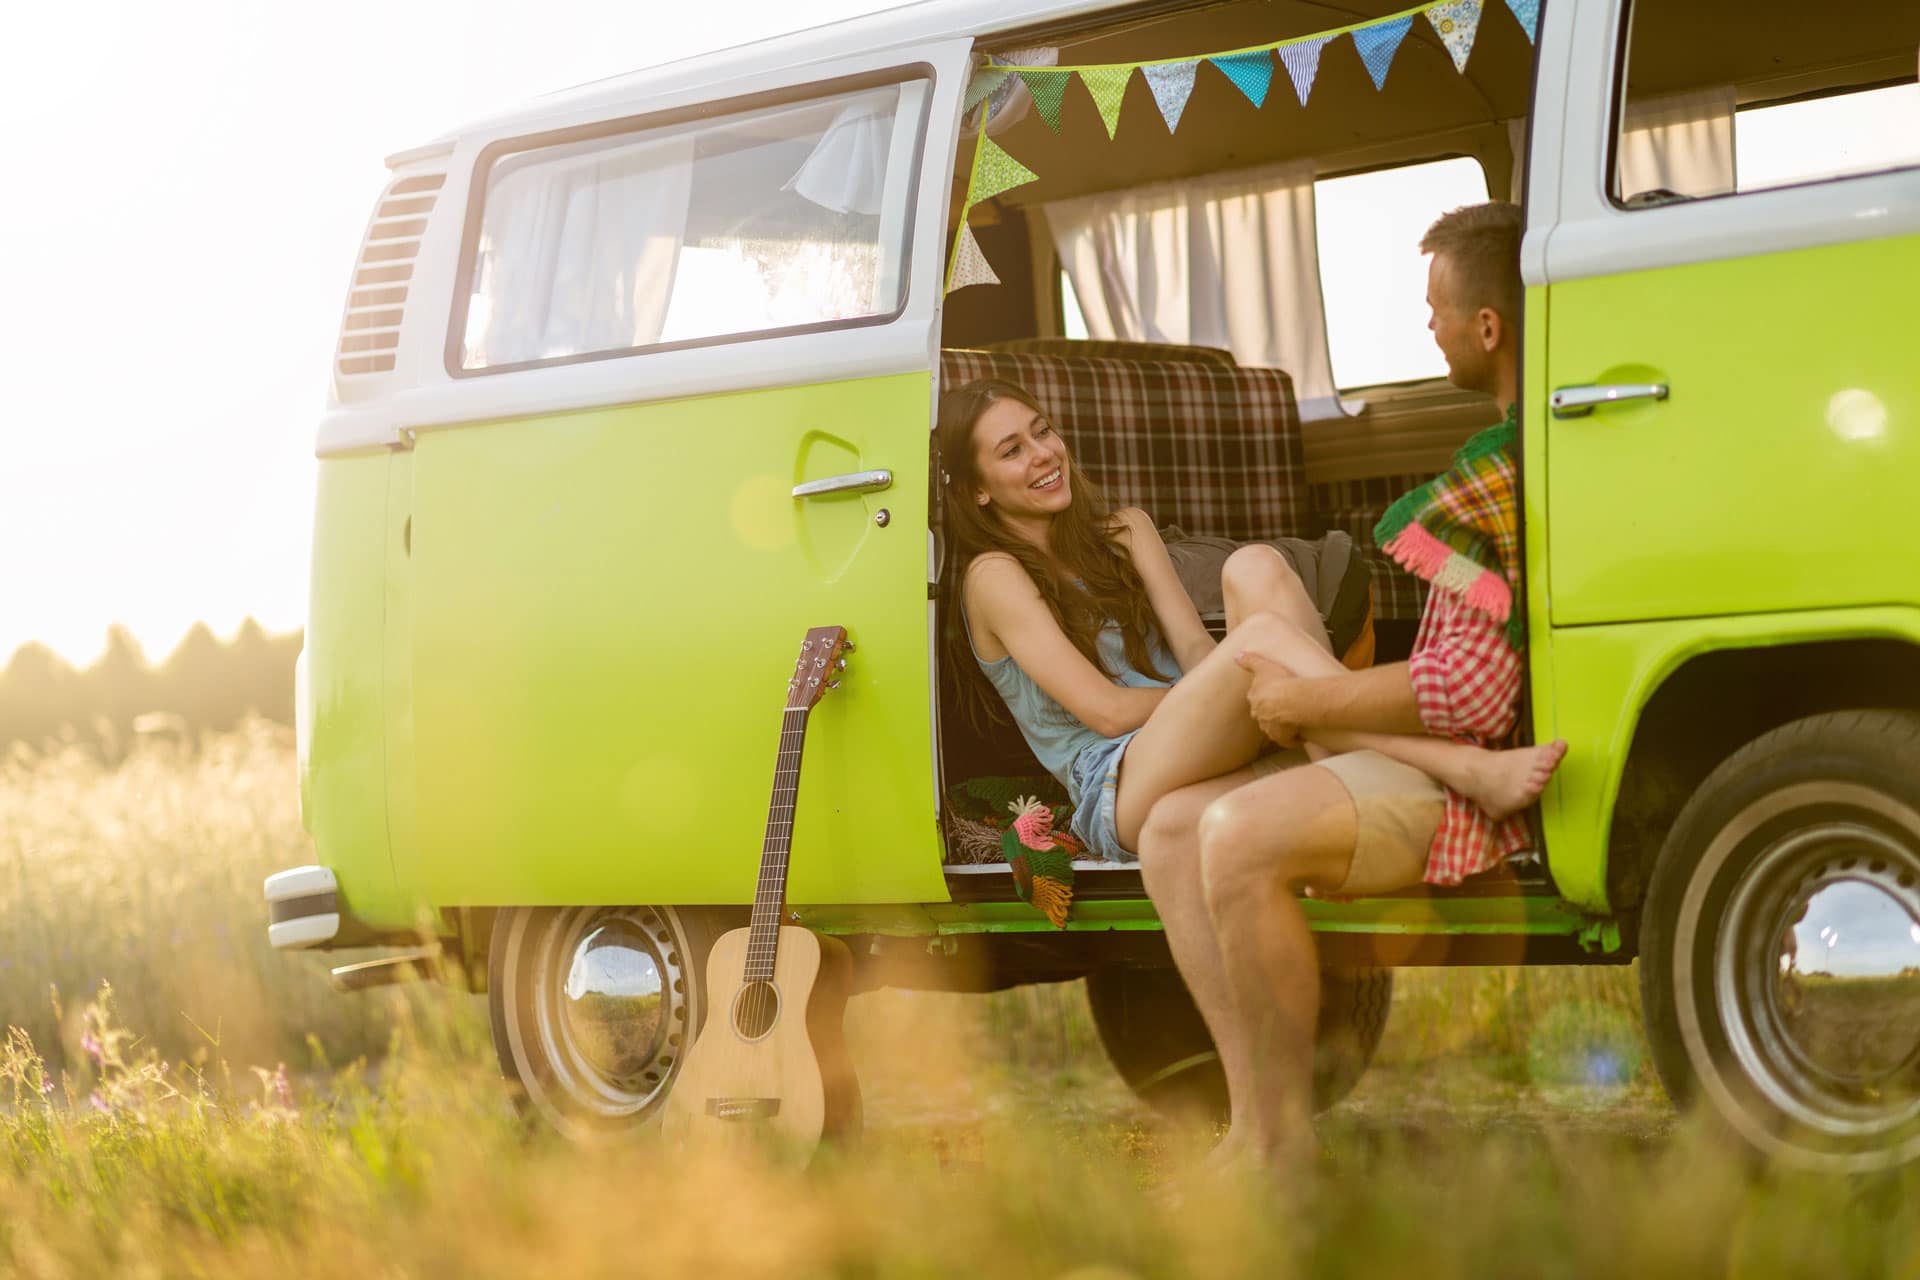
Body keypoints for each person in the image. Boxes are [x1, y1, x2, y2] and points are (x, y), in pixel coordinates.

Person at [1134, 201, 1566, 1178]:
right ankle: (1260, 1122)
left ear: (1486, 327)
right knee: (1167, 825)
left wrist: (1313, 705)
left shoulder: (1488, 483)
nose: (1429, 325)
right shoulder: (1508, 454)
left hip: (1478, 778)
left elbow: (1468, 693)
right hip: (1439, 755)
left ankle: (1275, 1141)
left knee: (1232, 827)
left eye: (1434, 309)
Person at [937, 368, 1560, 876]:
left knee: (1254, 565)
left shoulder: (1126, 531)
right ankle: (1455, 765)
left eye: (1042, 431)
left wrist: (1239, 687)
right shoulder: (993, 577)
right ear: (977, 491)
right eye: (1011, 451)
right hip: (1117, 782)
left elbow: (1192, 648)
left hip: (1195, 739)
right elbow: (1104, 711)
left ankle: (1330, 746)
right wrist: (1243, 686)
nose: (1043, 454)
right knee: (1256, 649)